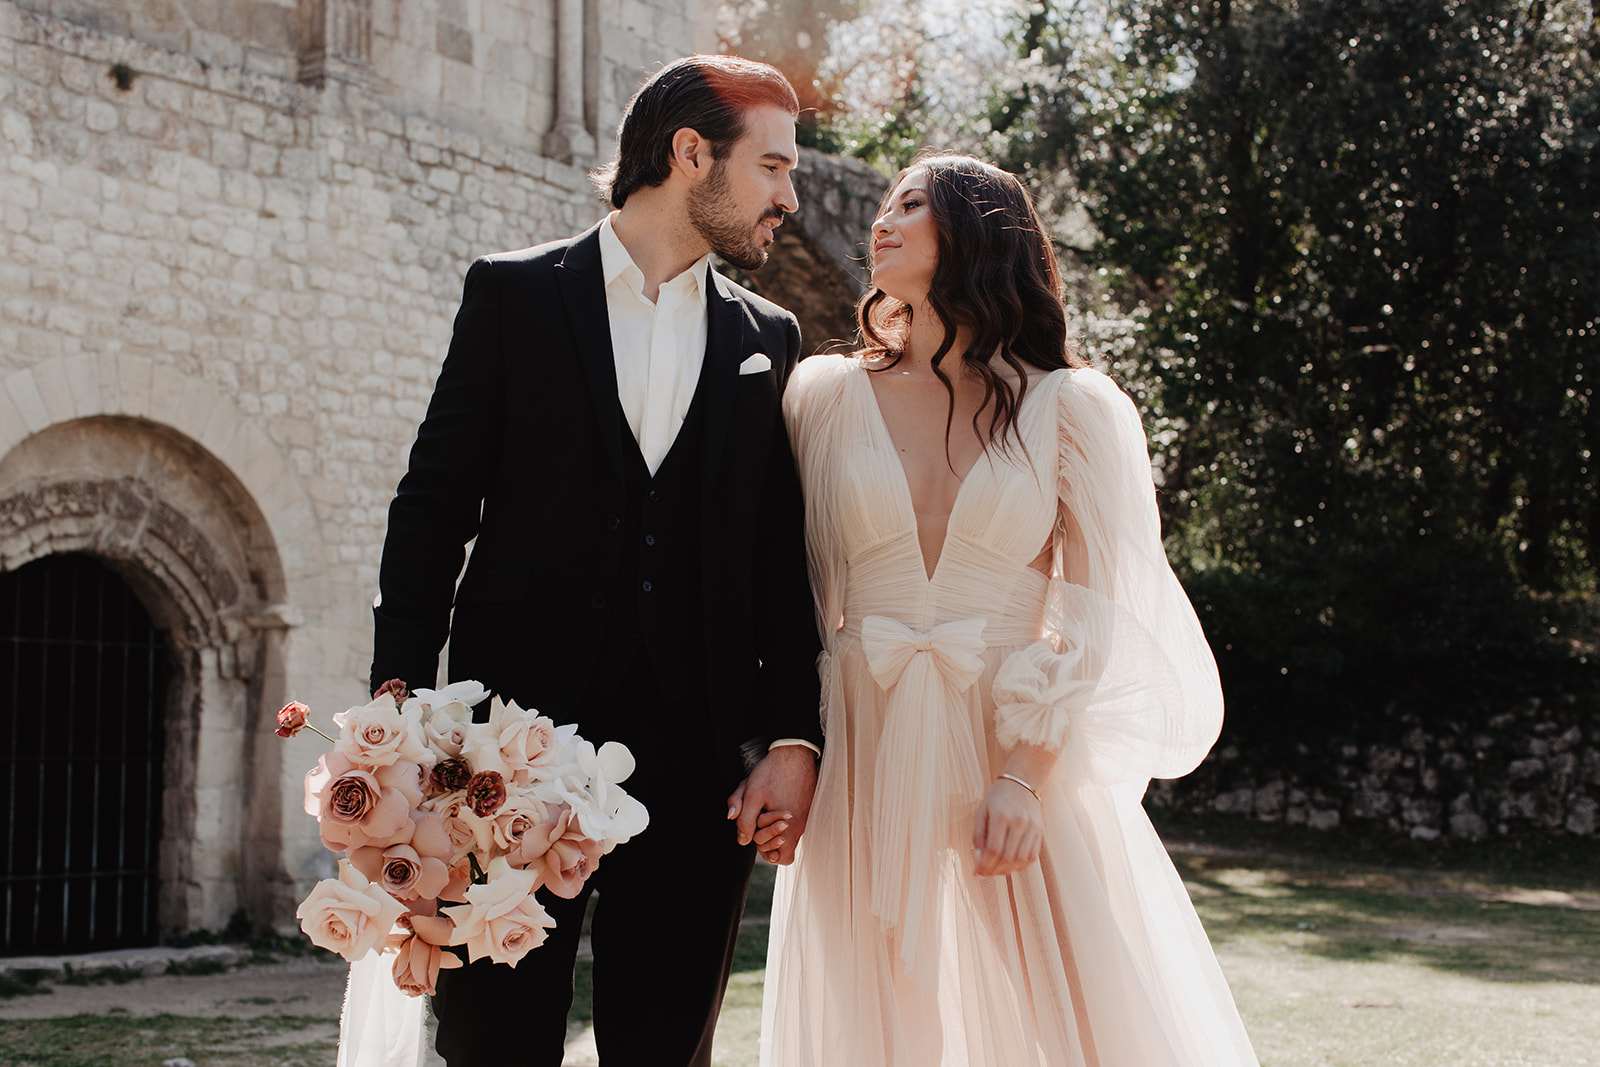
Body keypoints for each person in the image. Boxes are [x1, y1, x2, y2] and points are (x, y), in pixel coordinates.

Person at [365, 55, 823, 1067]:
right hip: (510, 754)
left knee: (666, 1048)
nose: (790, 197)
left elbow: (778, 559)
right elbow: (432, 508)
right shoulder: (514, 297)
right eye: (773, 167)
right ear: (689, 152)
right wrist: (395, 713)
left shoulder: (769, 340)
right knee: (492, 1042)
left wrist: (793, 732)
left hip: (699, 764)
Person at [760, 153, 1260, 1065]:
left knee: (1073, 1008)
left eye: (911, 204)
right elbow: (779, 588)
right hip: (862, 733)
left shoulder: (1072, 408)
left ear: (978, 232)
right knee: (875, 1007)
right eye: (883, 204)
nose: (883, 220)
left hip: (1014, 735)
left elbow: (1100, 614)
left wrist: (1026, 776)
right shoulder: (821, 397)